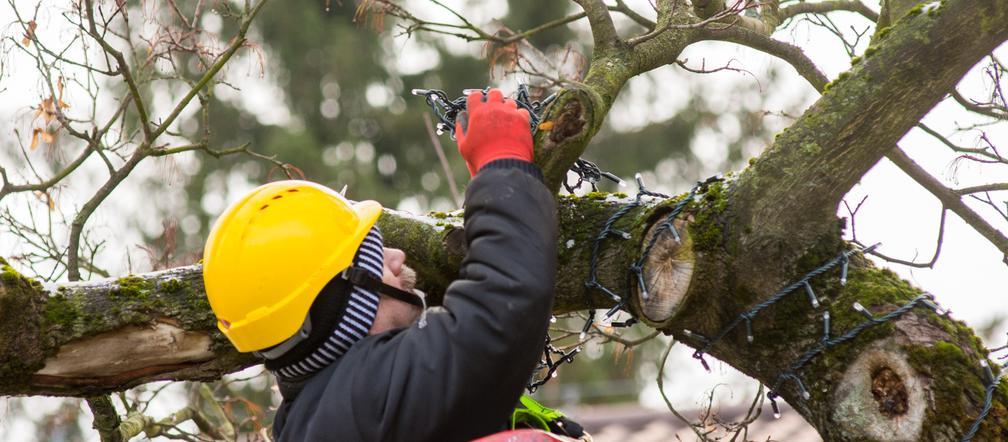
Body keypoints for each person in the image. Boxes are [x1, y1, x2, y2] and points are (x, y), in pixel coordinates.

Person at [202, 88, 561, 441]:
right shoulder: (367, 400)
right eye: (375, 257)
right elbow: (499, 316)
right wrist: (502, 165)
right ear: (344, 307)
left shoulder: (313, 418)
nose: (397, 257)